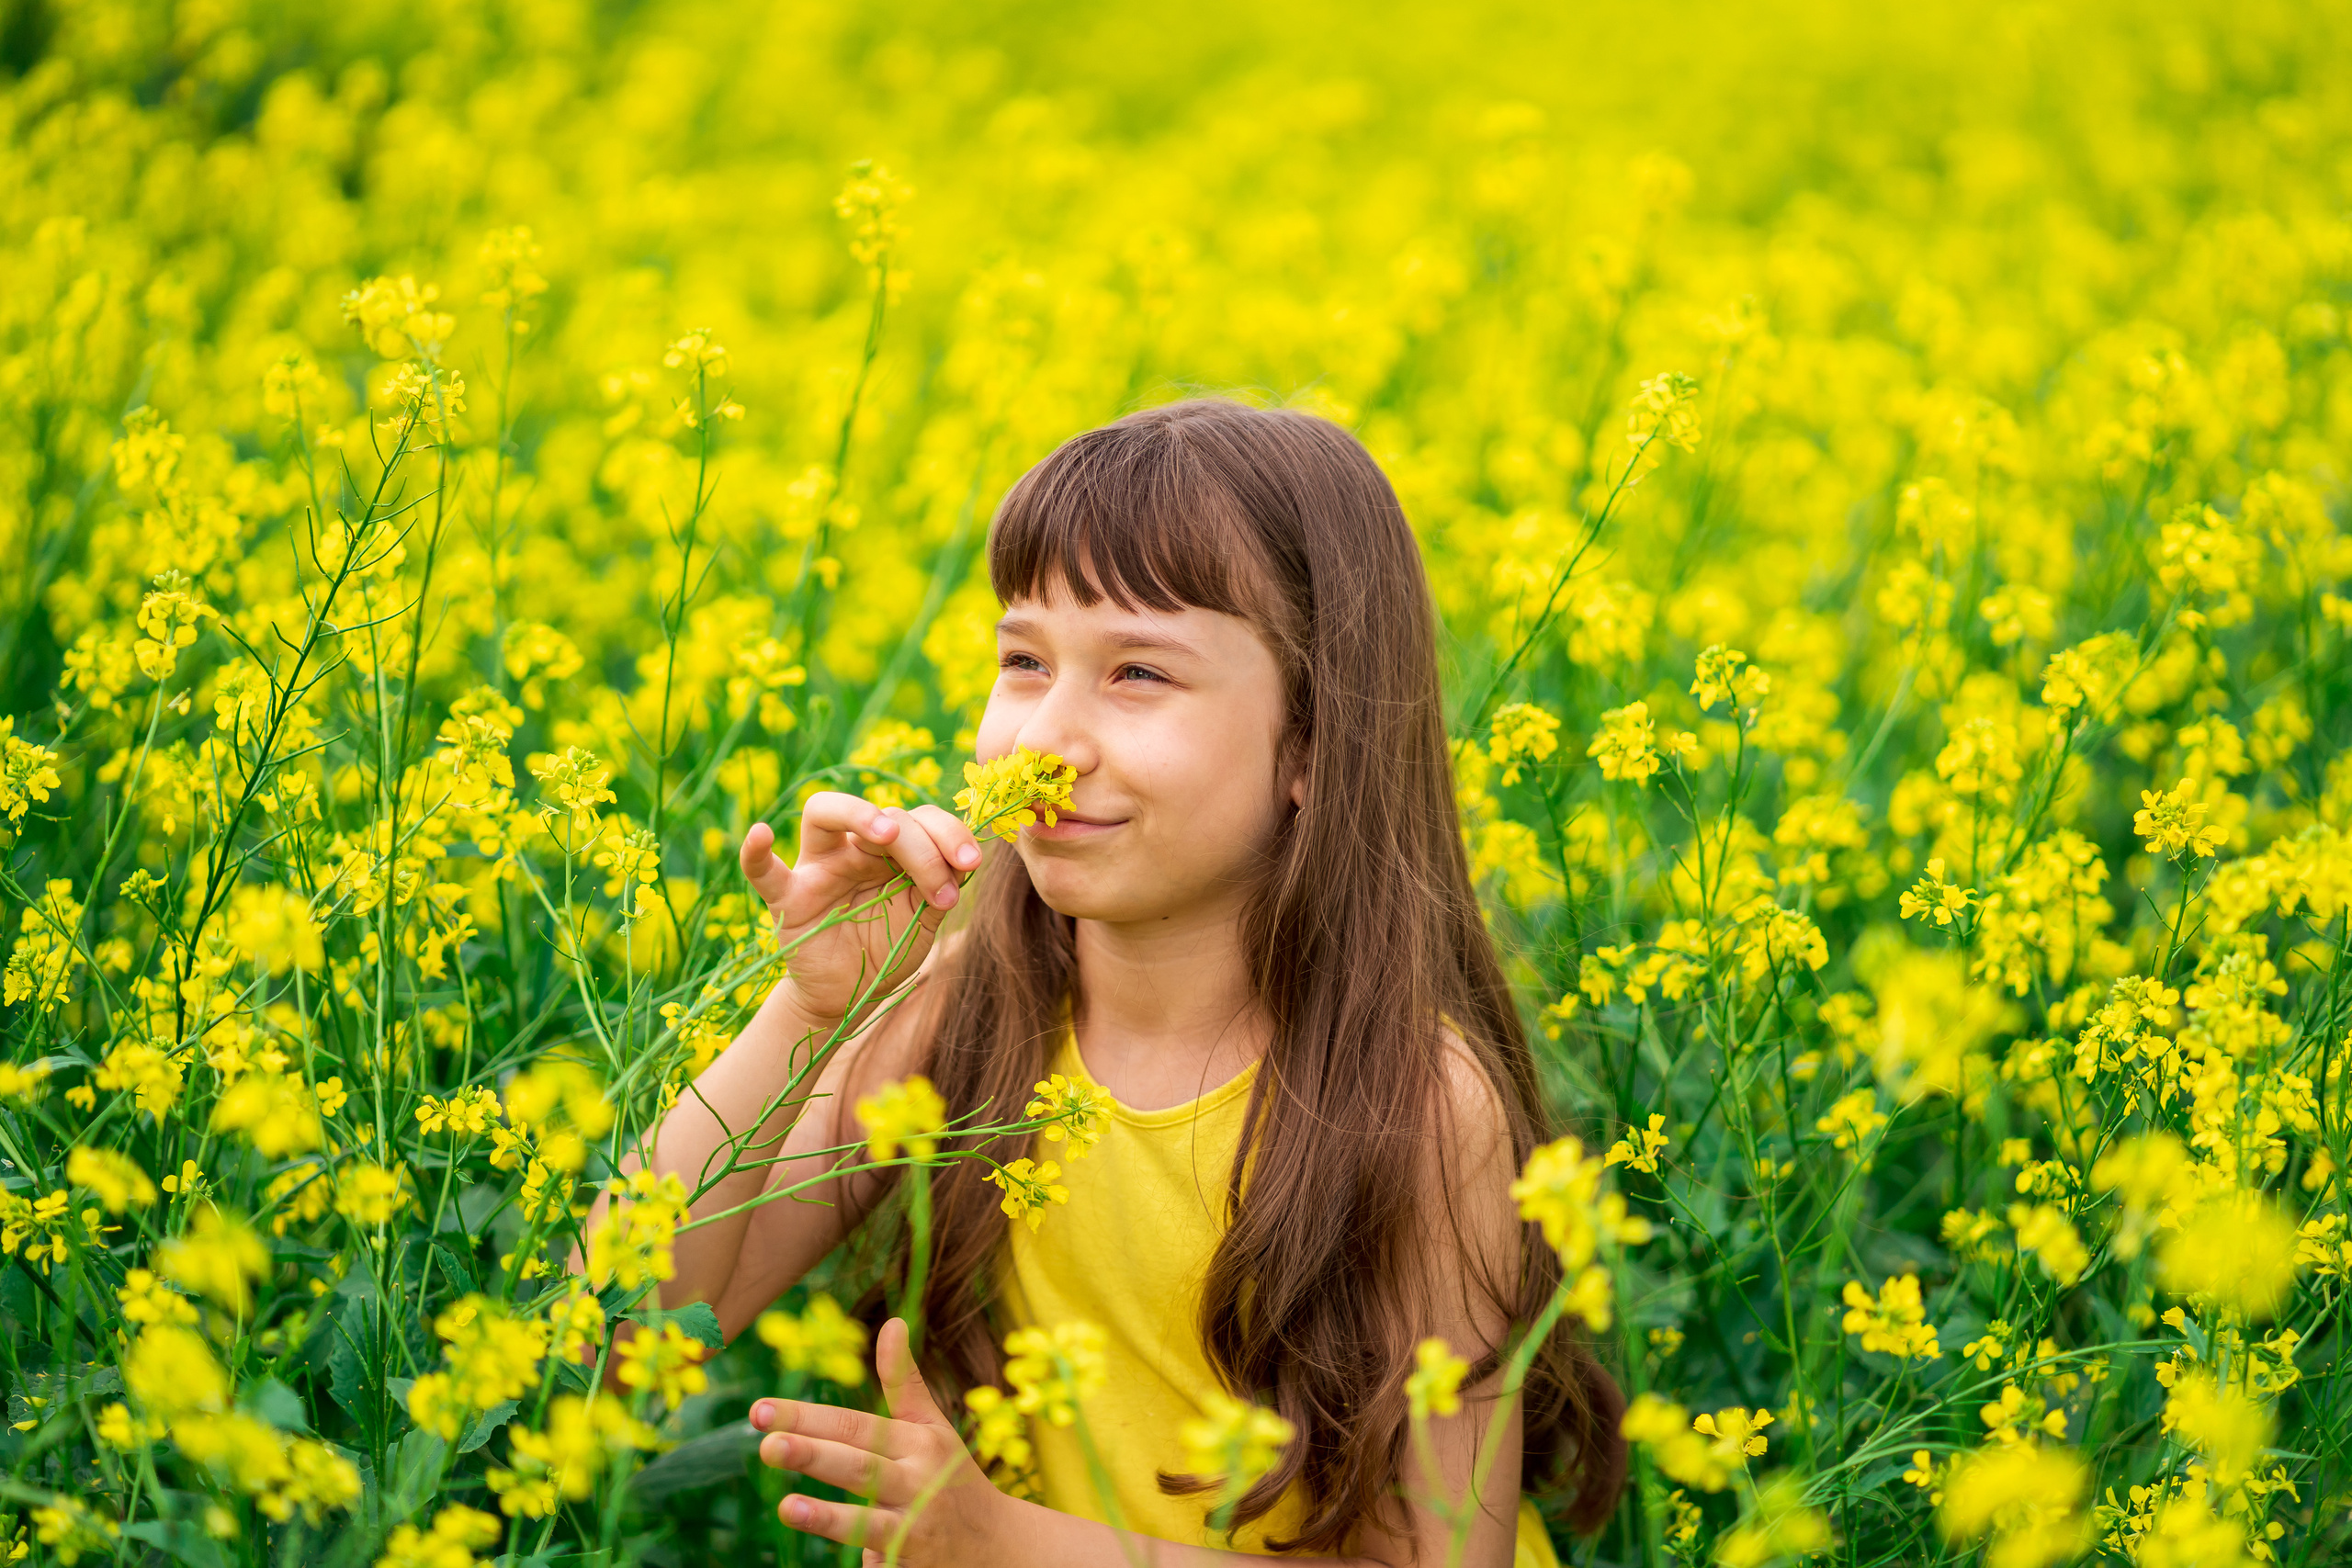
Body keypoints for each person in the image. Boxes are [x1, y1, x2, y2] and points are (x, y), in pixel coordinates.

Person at [640, 399, 1625, 1566]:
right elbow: (629, 1337)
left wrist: (1006, 1545)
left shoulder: (1413, 1105)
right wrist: (806, 1012)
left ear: (1312, 743)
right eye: (1023, 661)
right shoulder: (968, 1009)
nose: (1045, 742)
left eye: (1138, 672)